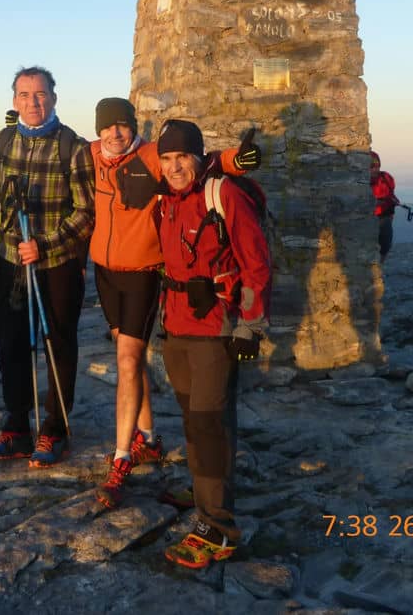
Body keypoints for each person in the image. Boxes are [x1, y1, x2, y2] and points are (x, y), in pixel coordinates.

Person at [89, 99, 261, 508]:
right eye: (107, 127)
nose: (173, 165)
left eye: (123, 125)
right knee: (176, 402)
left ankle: (209, 517)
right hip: (140, 296)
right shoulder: (100, 160)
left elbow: (212, 162)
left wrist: (251, 323)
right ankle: (178, 467)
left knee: (198, 413)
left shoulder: (181, 172)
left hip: (184, 302)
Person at [155, 119, 271, 569]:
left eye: (183, 156)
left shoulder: (224, 195)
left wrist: (250, 327)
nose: (174, 166)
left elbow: (256, 263)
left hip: (215, 329)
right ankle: (206, 491)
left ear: (199, 157)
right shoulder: (166, 200)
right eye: (167, 158)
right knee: (198, 421)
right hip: (177, 327)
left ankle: (217, 528)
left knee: (208, 425)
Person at [0, 67, 94, 467]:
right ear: (14, 100)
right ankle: (17, 427)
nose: (33, 102)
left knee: (58, 343)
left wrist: (44, 245)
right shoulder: (3, 142)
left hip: (56, 264)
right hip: (10, 262)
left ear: (54, 98)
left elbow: (86, 212)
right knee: (10, 344)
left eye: (40, 94)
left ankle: (55, 428)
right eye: (24, 95)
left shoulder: (72, 146)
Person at [369, 151, 399, 260]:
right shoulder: (361, 182)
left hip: (385, 218)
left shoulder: (386, 178)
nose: (375, 169)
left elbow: (391, 194)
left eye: (377, 166)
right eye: (372, 167)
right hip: (371, 220)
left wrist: (393, 201)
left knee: (385, 246)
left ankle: (378, 269)